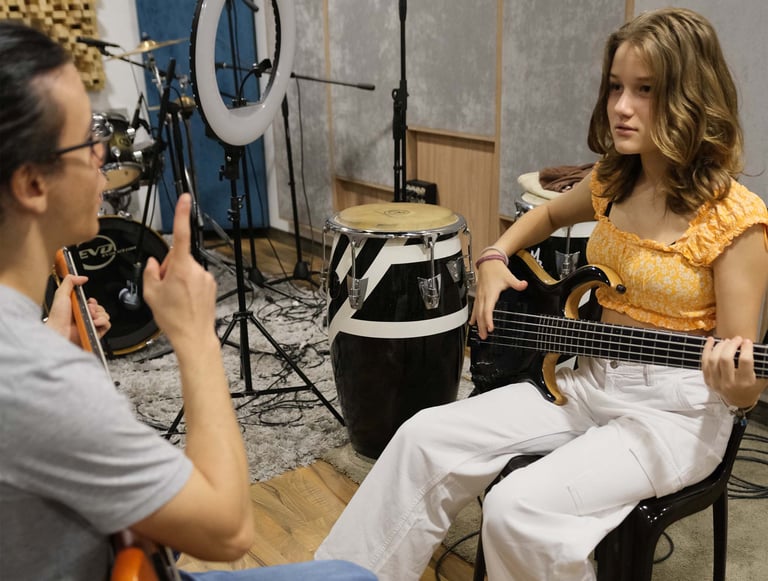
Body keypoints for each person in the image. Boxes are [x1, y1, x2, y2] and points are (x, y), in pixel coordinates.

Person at [315, 8, 768, 580]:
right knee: (421, 437)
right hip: (583, 379)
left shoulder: (736, 220)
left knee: (517, 508)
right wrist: (494, 258)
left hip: (675, 414)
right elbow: (547, 214)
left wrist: (744, 389)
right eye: (615, 87)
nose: (621, 106)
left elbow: (741, 371)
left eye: (646, 90)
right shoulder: (615, 178)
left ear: (691, 97)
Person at [0, 20, 376, 581]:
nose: (105, 153)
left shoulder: (29, 352)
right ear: (32, 184)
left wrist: (53, 342)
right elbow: (227, 529)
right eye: (88, 141)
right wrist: (196, 334)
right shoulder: (33, 376)